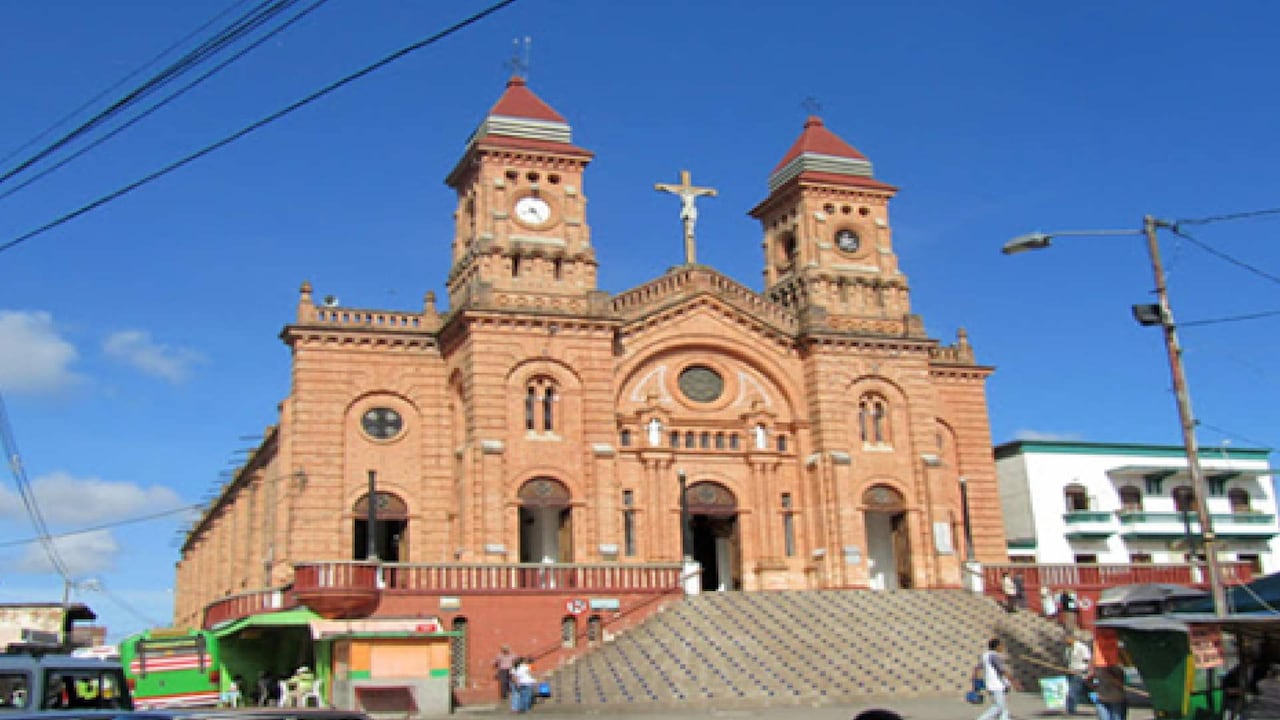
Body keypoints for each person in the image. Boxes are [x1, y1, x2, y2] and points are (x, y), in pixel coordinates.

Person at [976, 638, 1017, 720]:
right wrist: (1014, 681)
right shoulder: (994, 656)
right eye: (1001, 645)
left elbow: (977, 668)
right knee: (999, 707)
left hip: (992, 683)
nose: (1002, 647)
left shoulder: (985, 655)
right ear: (997, 646)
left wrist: (977, 680)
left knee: (1003, 706)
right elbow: (1002, 670)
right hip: (996, 684)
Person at [1065, 633, 1093, 715]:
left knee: (1072, 691)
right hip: (1071, 671)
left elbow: (1087, 660)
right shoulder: (1068, 648)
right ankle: (1070, 708)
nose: (1065, 640)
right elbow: (1069, 660)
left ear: (1072, 638)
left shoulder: (1082, 647)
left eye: (1067, 638)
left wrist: (1087, 671)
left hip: (1079, 672)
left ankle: (1070, 709)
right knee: (1071, 690)